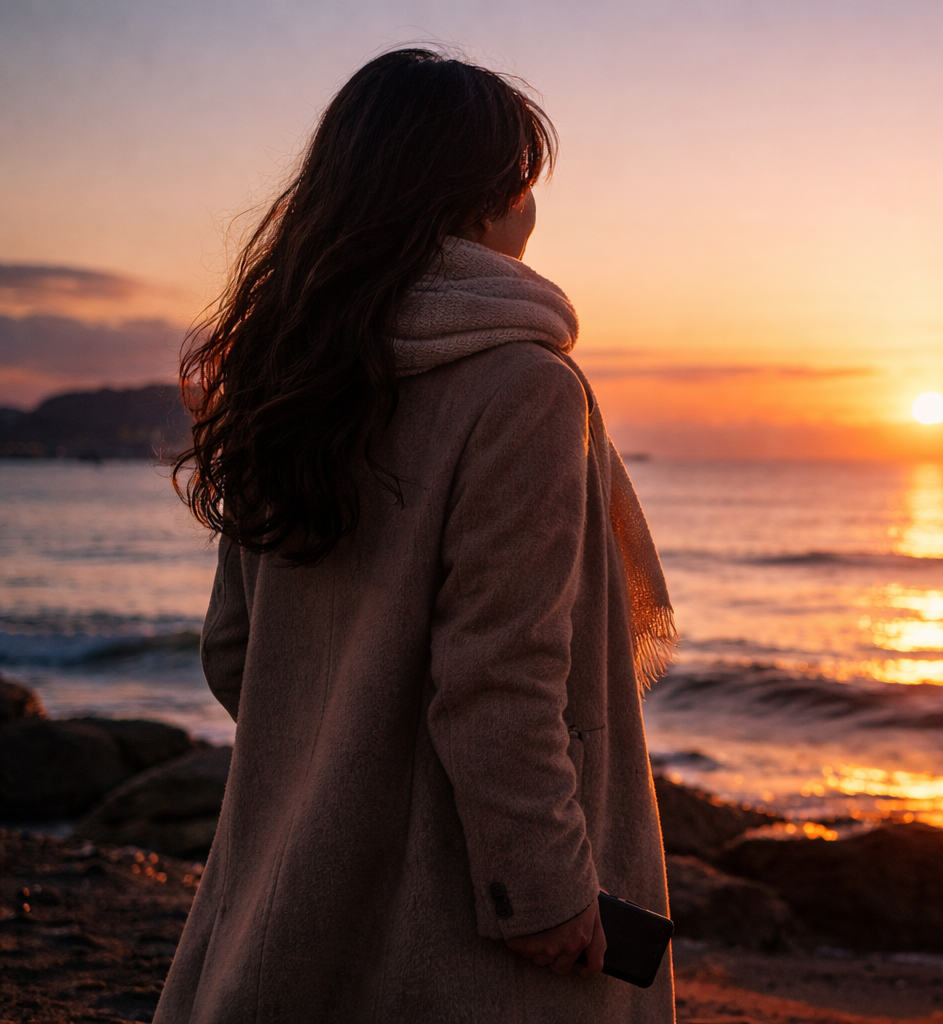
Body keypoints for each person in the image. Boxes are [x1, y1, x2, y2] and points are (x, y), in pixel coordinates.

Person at [160, 48, 676, 1023]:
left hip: (295, 898)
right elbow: (501, 676)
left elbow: (235, 650)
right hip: (477, 936)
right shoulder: (522, 385)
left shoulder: (296, 373)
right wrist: (545, 891)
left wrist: (350, 763)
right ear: (486, 198)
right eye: (524, 182)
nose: (532, 208)